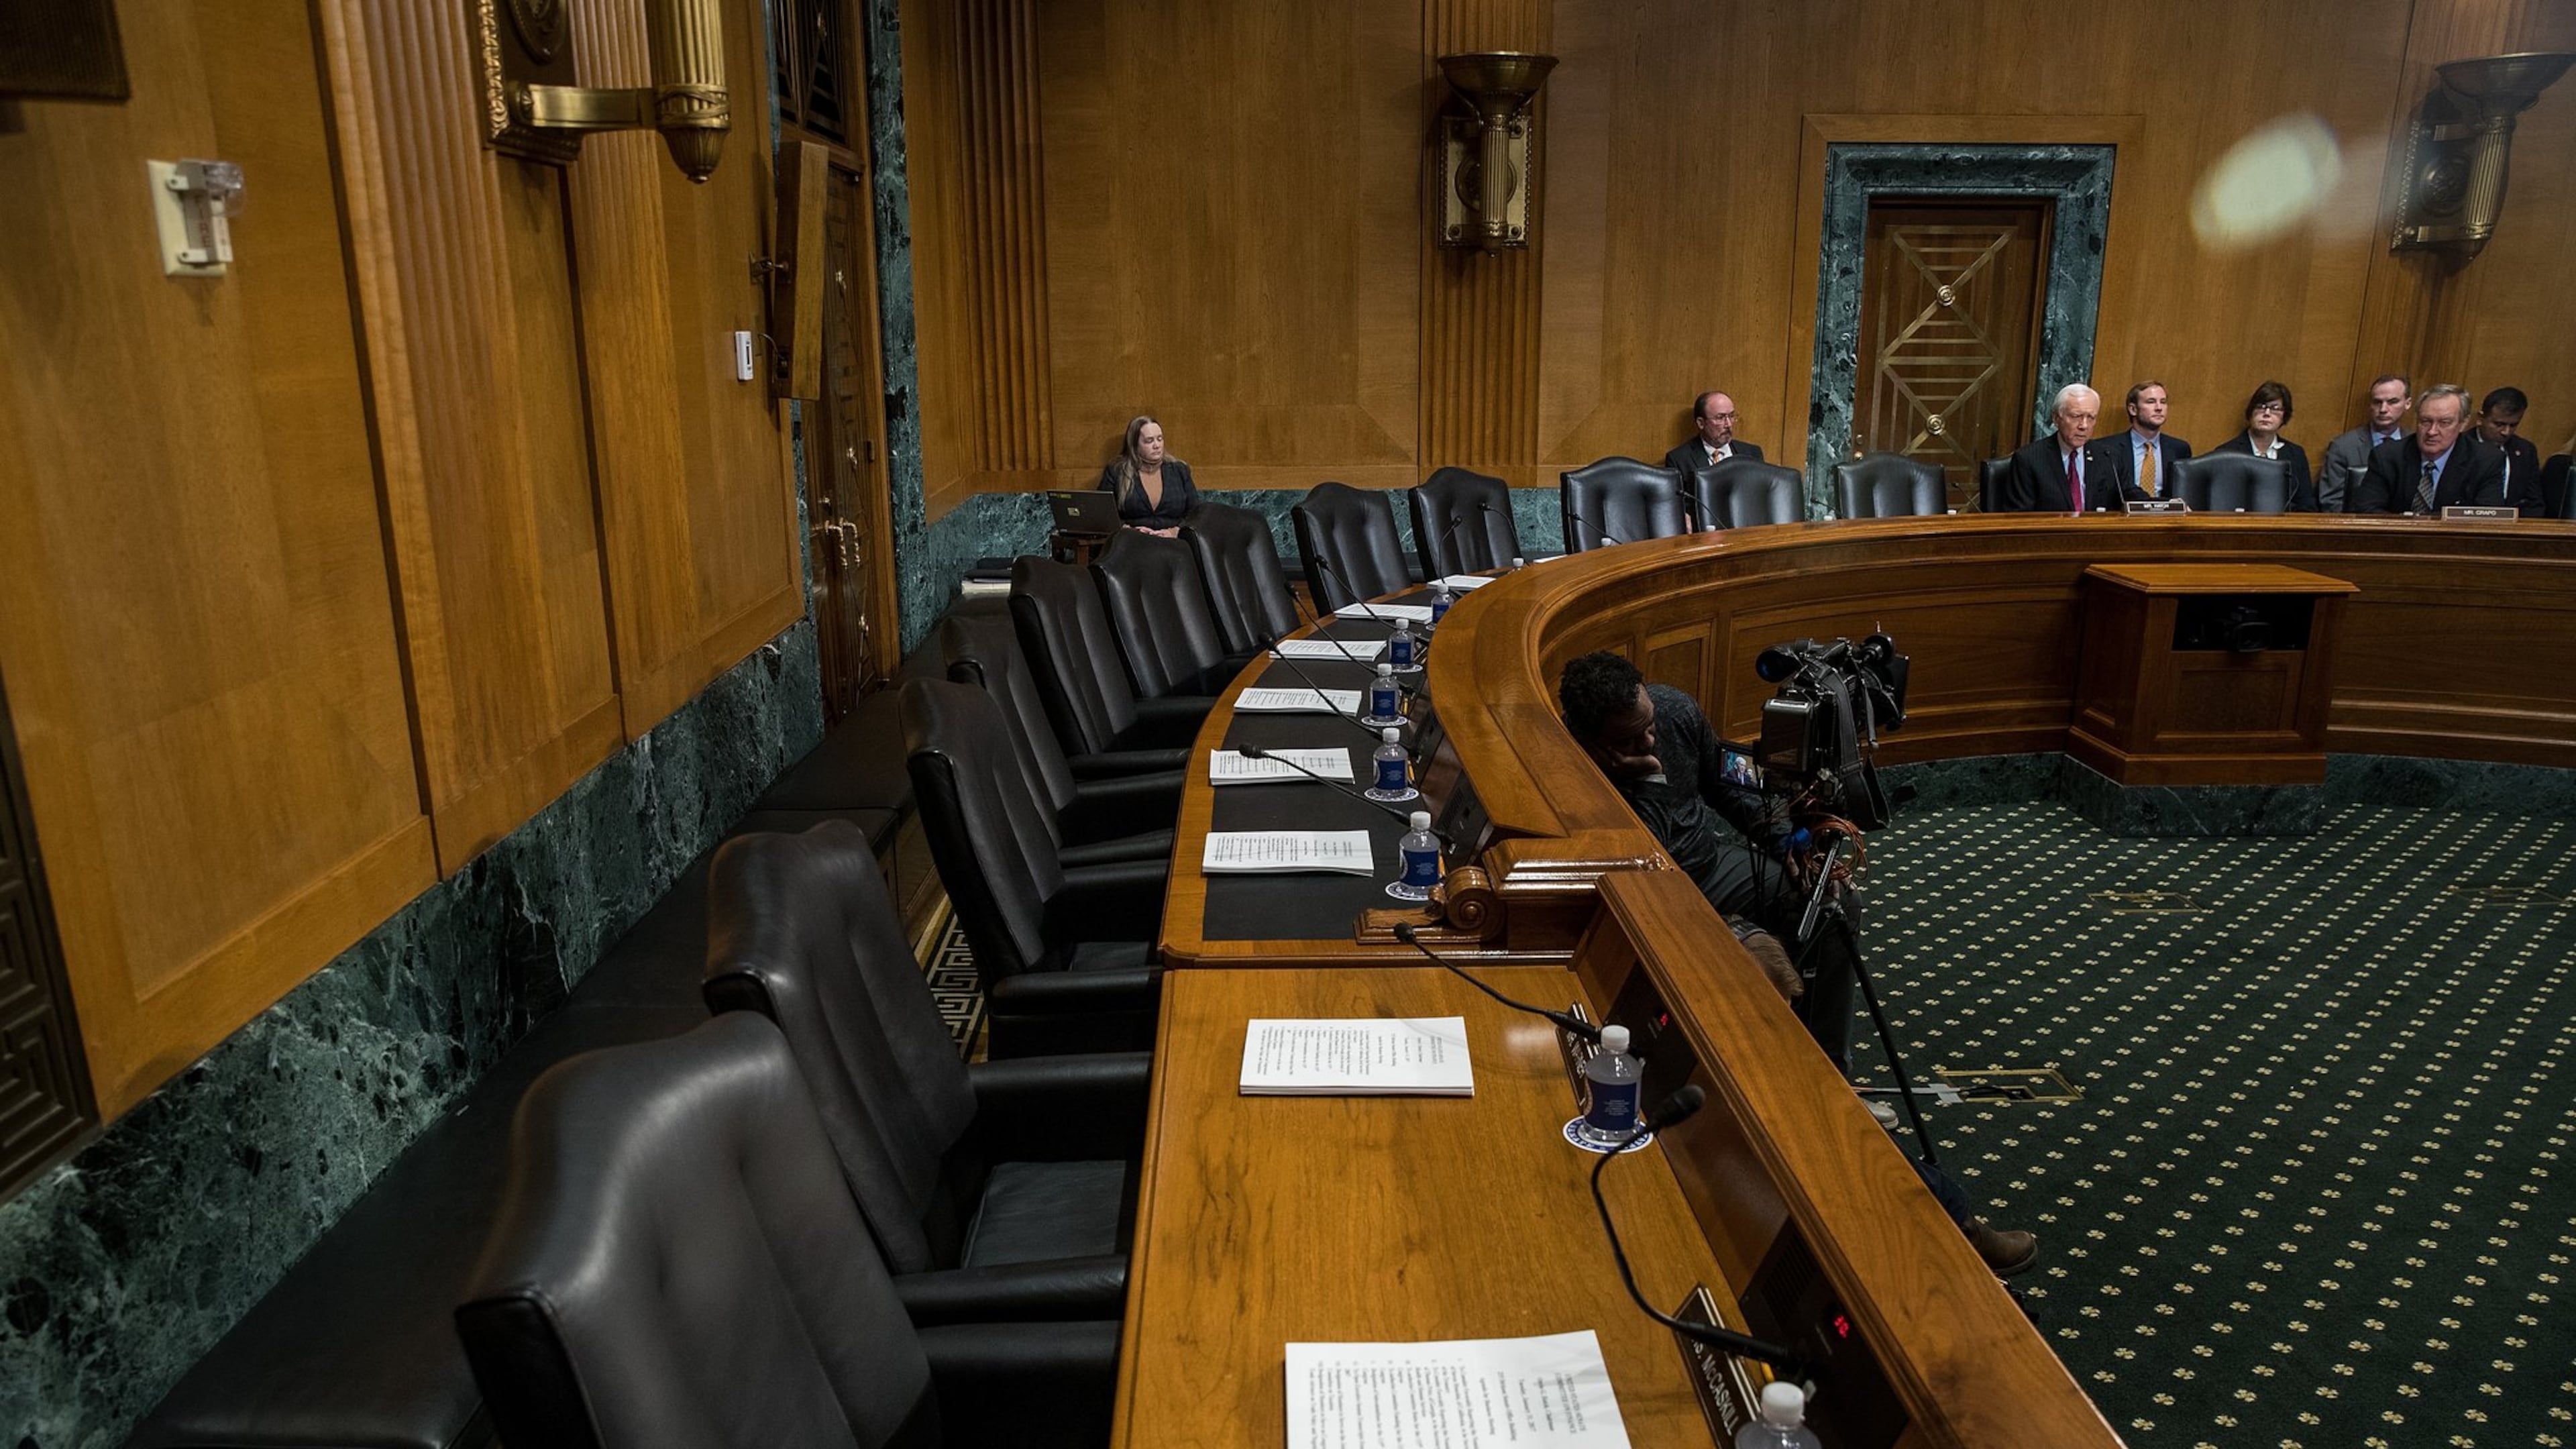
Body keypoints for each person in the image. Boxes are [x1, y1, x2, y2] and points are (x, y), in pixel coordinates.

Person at [1556, 650, 2035, 1277]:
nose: (1650, 738)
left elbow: (1728, 787)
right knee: (1755, 972)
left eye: (1648, 723)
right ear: (1593, 739)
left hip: (1712, 866)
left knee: (1830, 907)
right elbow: (1642, 877)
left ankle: (1832, 1071)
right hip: (1658, 893)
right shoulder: (1577, 771)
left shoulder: (1671, 709)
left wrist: (1789, 846)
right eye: (1632, 736)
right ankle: (1805, 1084)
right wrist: (1642, 783)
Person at [2353, 384, 2512, 515]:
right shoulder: (2387, 456)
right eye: (2425, 421)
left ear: (2463, 423)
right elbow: (2367, 510)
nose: (2432, 432)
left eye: (2444, 423)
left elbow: (2487, 517)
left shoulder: (2487, 461)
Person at [1994, 384, 2140, 513]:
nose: (2084, 426)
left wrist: (2159, 506)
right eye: (2076, 416)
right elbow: (2020, 517)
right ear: (2057, 419)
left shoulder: (2108, 456)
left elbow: (2130, 496)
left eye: (2091, 418)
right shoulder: (2029, 459)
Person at [2208, 380, 2319, 511]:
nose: (2267, 413)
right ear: (2250, 412)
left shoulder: (2295, 454)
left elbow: (2306, 505)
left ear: (2285, 416)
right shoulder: (2226, 453)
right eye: (2261, 407)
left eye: (2275, 408)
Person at [2318, 375, 2410, 514]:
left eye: (2392, 402)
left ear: (2407, 403)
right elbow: (2331, 503)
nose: (2383, 409)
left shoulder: (2416, 444)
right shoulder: (2343, 447)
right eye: (2377, 402)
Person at [1099, 415, 1196, 536]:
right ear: (1134, 445)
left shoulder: (1179, 470)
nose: (1157, 445)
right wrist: (1126, 529)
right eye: (1149, 441)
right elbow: (1103, 514)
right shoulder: (1117, 471)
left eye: (1160, 439)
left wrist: (1175, 531)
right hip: (1132, 542)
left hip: (1173, 543)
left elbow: (1195, 512)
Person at [2100, 380, 2193, 499]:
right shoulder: (2107, 448)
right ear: (2133, 409)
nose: (2159, 408)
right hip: (2123, 515)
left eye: (2163, 402)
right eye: (2151, 402)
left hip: (2167, 516)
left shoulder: (2180, 448)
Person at [2475, 386, 2545, 516]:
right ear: (2481, 418)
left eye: (2513, 425)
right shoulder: (2461, 446)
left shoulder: (2526, 451)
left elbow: (2534, 503)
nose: (2506, 432)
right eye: (2499, 424)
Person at [1661, 390, 1764, 475]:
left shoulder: (1752, 454)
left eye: (1731, 416)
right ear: (1701, 423)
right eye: (1720, 418)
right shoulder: (1679, 459)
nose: (1728, 424)